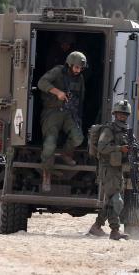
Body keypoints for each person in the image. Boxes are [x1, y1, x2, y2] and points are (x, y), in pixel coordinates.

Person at [88, 100, 139, 240]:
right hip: (108, 169)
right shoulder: (109, 130)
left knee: (111, 201)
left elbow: (135, 143)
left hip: (117, 169)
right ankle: (115, 231)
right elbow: (102, 147)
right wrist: (119, 149)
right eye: (120, 114)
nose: (122, 116)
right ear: (115, 114)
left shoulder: (125, 130)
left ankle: (97, 226)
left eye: (125, 114)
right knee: (116, 200)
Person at [37, 51, 87, 191]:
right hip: (52, 112)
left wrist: (79, 117)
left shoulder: (80, 78)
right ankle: (47, 173)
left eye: (81, 68)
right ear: (70, 64)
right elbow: (41, 82)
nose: (78, 70)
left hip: (69, 113)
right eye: (76, 67)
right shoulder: (58, 71)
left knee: (78, 138)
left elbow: (81, 99)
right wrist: (57, 92)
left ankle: (66, 153)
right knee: (49, 144)